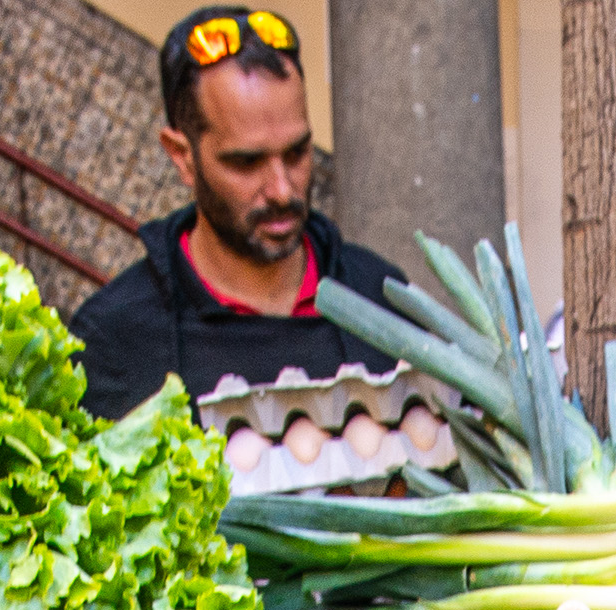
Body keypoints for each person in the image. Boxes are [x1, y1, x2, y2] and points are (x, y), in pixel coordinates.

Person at [73, 7, 405, 422]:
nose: (282, 189)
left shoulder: (382, 299)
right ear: (182, 157)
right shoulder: (114, 339)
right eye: (247, 163)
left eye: (297, 152)